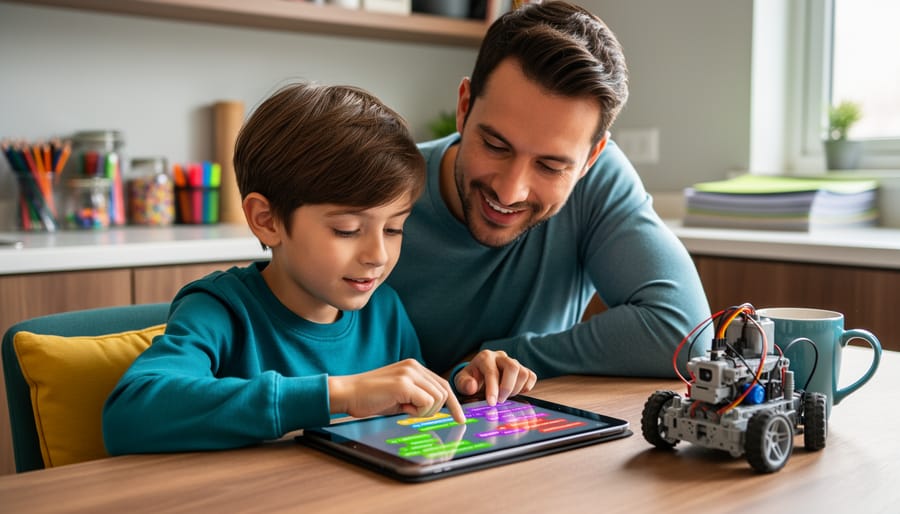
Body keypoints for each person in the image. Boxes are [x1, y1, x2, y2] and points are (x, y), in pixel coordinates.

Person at [103, 83, 536, 454]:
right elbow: (130, 414)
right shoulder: (220, 310)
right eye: (347, 230)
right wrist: (340, 393)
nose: (377, 255)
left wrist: (464, 385)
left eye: (394, 229)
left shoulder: (383, 310)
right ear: (267, 220)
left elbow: (411, 408)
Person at [387, 1, 711, 387]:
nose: (509, 191)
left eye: (550, 167)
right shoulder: (380, 190)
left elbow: (686, 337)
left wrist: (504, 358)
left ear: (591, 157)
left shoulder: (596, 183)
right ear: (464, 107)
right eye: (495, 145)